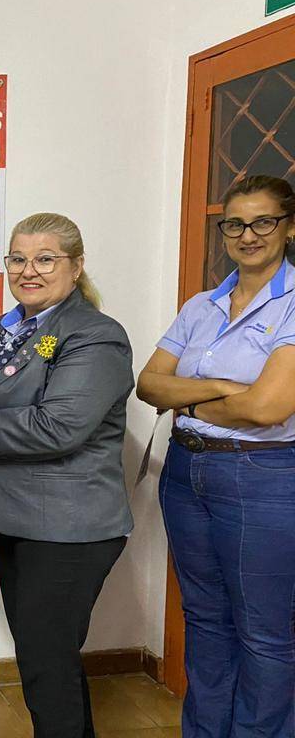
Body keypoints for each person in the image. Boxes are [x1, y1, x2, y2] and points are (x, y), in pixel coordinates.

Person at [0, 213, 133, 738]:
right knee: (48, 659)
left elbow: (59, 426)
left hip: (68, 526)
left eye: (45, 259)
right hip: (16, 514)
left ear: (76, 266)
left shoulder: (96, 335)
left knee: (46, 663)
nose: (29, 271)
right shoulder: (6, 329)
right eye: (18, 259)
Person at [136, 175, 295, 737]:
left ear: (289, 227)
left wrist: (191, 399)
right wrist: (226, 390)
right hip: (186, 472)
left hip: (262, 476)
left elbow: (268, 408)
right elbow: (149, 384)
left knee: (264, 632)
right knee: (205, 620)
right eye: (235, 224)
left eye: (263, 222)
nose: (248, 235)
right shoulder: (202, 306)